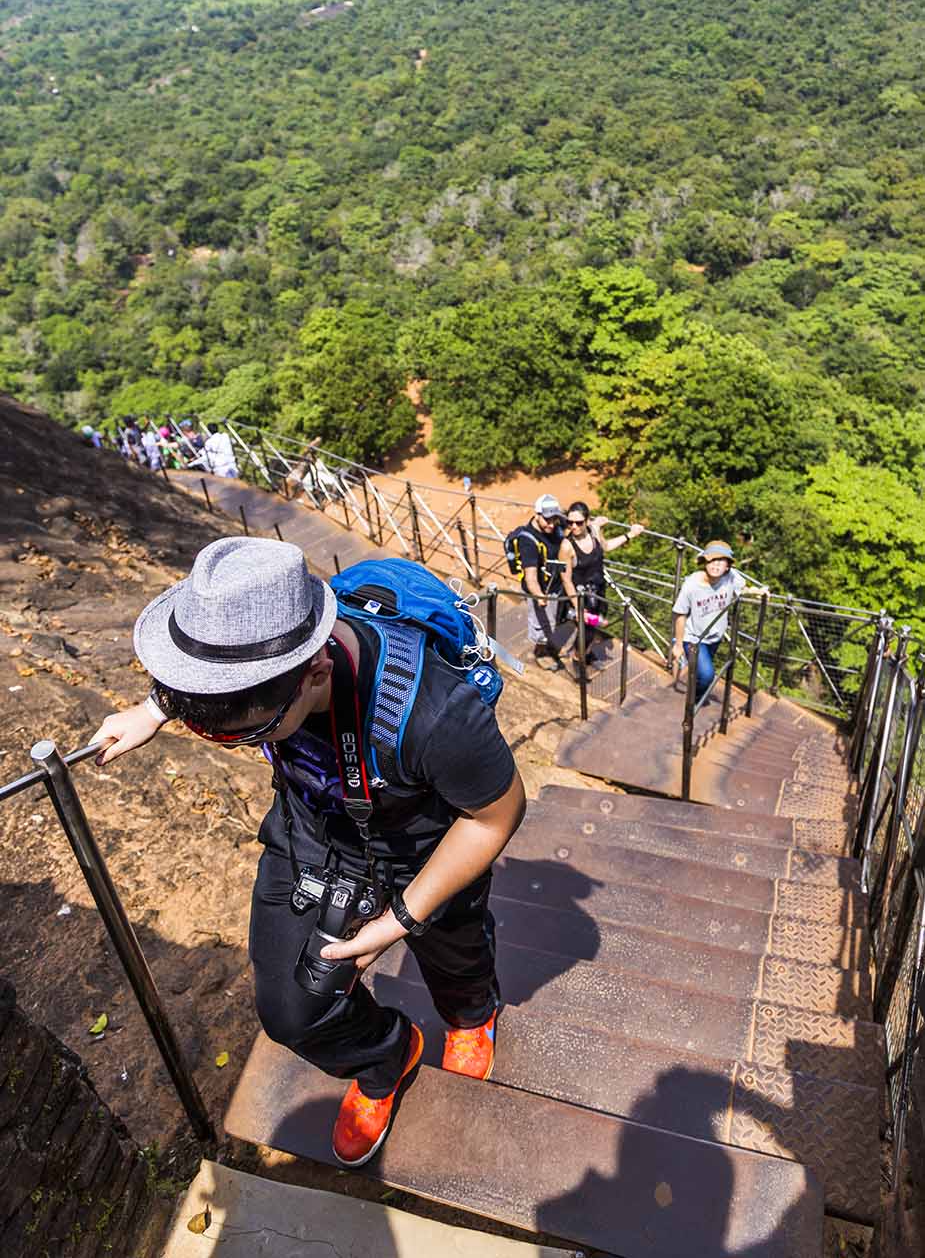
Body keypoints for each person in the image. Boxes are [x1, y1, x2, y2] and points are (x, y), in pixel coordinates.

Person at [90, 538, 524, 1168]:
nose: (234, 741)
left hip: (424, 841)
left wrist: (401, 918)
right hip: (312, 829)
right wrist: (159, 707)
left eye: (254, 731)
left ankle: (469, 1016)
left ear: (316, 671)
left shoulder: (432, 712)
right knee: (290, 1011)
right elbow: (214, 679)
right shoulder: (256, 666)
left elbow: (495, 814)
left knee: (450, 946)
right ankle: (386, 1054)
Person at [561, 503, 644, 665]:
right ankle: (578, 660)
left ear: (587, 521)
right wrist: (577, 607)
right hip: (581, 596)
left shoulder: (594, 531)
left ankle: (586, 654)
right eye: (570, 523)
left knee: (594, 627)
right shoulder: (567, 546)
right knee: (588, 631)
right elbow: (566, 579)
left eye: (579, 523)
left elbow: (605, 546)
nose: (574, 527)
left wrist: (630, 535)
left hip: (598, 591)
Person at [671, 540, 753, 702]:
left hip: (715, 637)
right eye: (712, 560)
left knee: (701, 671)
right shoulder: (692, 584)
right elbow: (680, 614)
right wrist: (679, 644)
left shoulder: (731, 577)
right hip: (694, 637)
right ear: (705, 562)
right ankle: (694, 701)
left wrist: (760, 592)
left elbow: (743, 590)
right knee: (708, 676)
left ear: (728, 566)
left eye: (721, 561)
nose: (716, 565)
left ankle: (690, 676)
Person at [511, 494, 578, 665]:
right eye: (547, 520)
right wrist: (540, 596)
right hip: (541, 590)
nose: (552, 524)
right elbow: (531, 576)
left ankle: (548, 645)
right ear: (537, 515)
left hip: (556, 582)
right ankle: (540, 653)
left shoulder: (555, 525)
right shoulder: (528, 541)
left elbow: (571, 525)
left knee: (553, 619)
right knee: (541, 623)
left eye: (555, 519)